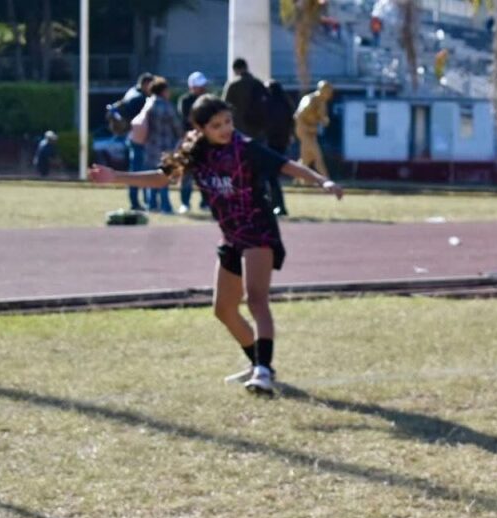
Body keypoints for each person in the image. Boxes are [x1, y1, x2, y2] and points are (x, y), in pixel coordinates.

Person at [87, 96, 345, 394]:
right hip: (231, 237)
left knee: (256, 299)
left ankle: (263, 372)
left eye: (227, 122)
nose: (225, 129)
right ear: (200, 128)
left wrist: (322, 181)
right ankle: (258, 364)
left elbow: (286, 165)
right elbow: (161, 178)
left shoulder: (245, 148)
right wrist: (116, 176)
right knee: (223, 309)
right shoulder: (194, 151)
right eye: (216, 125)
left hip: (259, 232)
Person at [108, 72, 154, 211]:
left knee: (136, 171)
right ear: (145, 84)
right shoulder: (140, 99)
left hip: (131, 137)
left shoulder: (131, 92)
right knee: (141, 172)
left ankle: (139, 201)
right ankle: (141, 202)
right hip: (140, 139)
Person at [141, 76, 183, 214]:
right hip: (165, 146)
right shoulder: (166, 106)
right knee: (164, 176)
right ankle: (166, 206)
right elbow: (177, 126)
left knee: (151, 176)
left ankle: (151, 204)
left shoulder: (148, 104)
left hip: (150, 146)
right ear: (163, 90)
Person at [178, 71, 210, 213]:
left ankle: (206, 202)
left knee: (206, 173)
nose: (203, 88)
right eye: (199, 86)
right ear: (192, 87)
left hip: (207, 141)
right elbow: (189, 119)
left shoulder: (208, 100)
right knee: (187, 173)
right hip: (190, 140)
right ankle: (185, 203)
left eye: (203, 85)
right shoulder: (185, 100)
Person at [264, 80, 296, 216]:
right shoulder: (286, 104)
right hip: (282, 144)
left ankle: (276, 205)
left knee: (270, 176)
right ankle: (276, 204)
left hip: (270, 143)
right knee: (273, 176)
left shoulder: (268, 105)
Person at [295, 81, 334, 184]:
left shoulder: (322, 102)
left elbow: (322, 117)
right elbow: (298, 116)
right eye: (328, 91)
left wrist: (324, 120)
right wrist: (307, 128)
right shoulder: (310, 99)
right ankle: (327, 180)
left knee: (307, 157)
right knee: (317, 155)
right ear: (323, 90)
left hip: (311, 131)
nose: (330, 94)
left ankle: (298, 179)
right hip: (304, 131)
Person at [223, 58, 269, 143]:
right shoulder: (258, 83)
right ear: (246, 67)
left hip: (239, 128)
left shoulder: (232, 85)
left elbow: (224, 106)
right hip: (257, 128)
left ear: (235, 70)